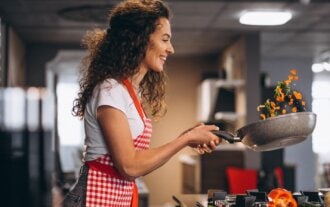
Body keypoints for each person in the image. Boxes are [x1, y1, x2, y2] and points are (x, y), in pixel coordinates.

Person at [62, 0, 221, 206]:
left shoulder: (129, 91)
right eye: (165, 39)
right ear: (140, 40)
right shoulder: (110, 90)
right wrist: (185, 140)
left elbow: (135, 158)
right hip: (93, 198)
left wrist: (188, 137)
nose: (170, 49)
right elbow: (129, 167)